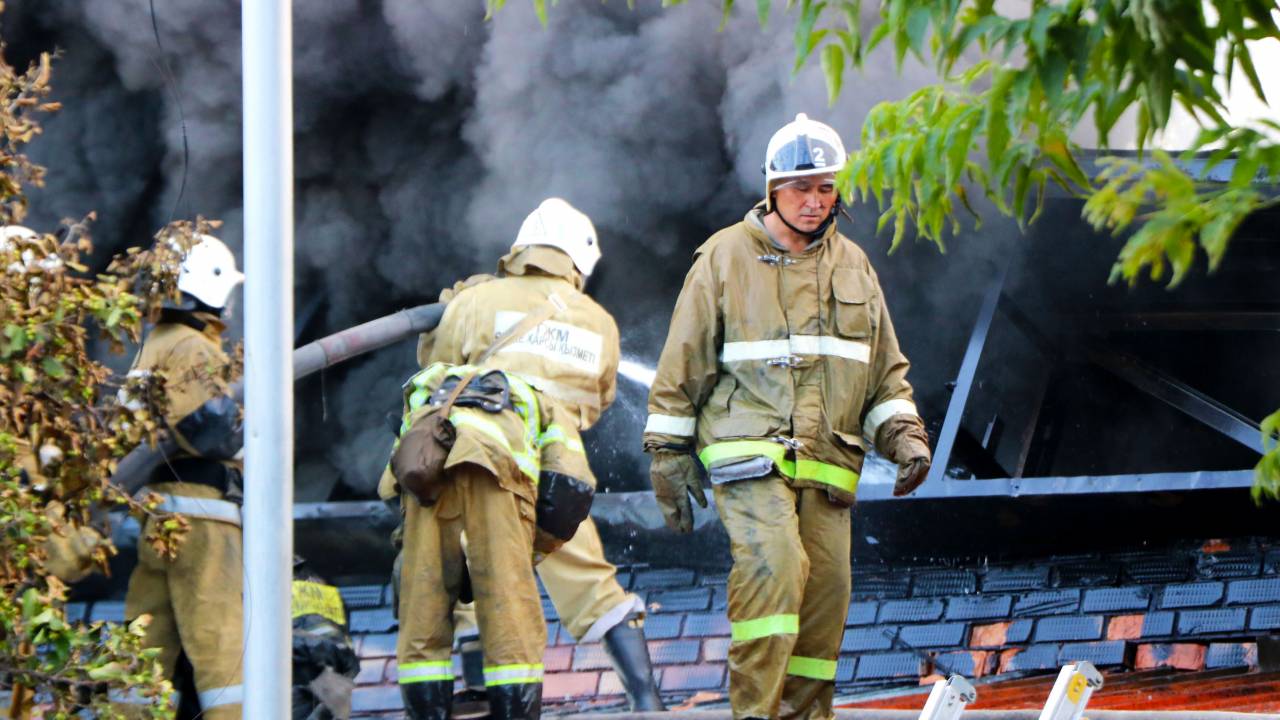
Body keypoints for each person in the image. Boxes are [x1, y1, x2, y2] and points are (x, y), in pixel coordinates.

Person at [643, 113, 932, 719]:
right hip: (748, 455)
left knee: (823, 611)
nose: (814, 201)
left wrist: (905, 438)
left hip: (828, 468)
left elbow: (883, 374)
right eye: (801, 189)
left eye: (826, 188)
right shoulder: (723, 257)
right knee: (776, 573)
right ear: (772, 189)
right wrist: (668, 453)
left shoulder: (854, 266)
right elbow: (683, 360)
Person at [389, 198, 623, 720]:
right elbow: (601, 397)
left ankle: (453, 702)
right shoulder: (600, 322)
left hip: (443, 466)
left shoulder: (477, 301)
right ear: (580, 261)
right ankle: (645, 699)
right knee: (526, 596)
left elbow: (437, 367)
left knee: (430, 597)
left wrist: (454, 312)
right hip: (540, 472)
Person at [116, 233, 245, 718]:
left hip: (159, 521)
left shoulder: (157, 345)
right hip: (203, 521)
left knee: (143, 648)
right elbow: (211, 432)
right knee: (222, 649)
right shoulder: (194, 348)